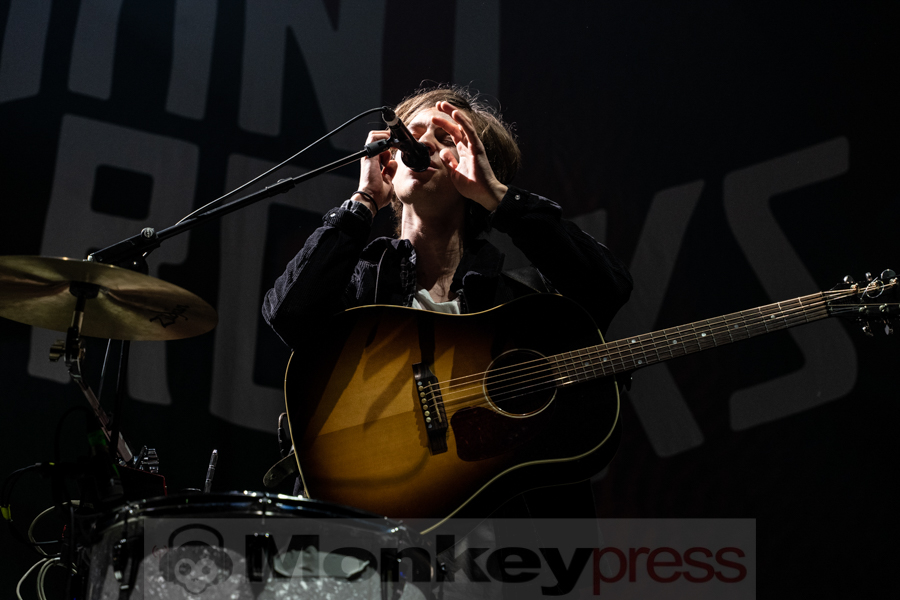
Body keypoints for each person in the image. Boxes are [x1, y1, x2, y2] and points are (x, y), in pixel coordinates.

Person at [262, 84, 632, 516]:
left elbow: (608, 288)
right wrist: (362, 202)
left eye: (445, 137)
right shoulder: (359, 286)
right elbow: (288, 316)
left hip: (495, 554)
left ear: (477, 164)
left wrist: (497, 196)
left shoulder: (522, 304)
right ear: (388, 159)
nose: (422, 144)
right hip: (365, 541)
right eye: (411, 134)